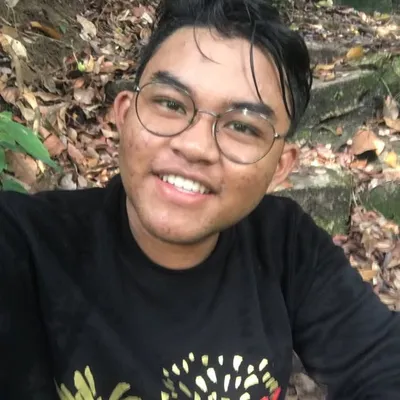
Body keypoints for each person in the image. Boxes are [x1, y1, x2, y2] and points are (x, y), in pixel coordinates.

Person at [1, 0, 399, 398]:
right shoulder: (26, 243)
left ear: (280, 166)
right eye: (171, 104)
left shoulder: (286, 244)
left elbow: (381, 362)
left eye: (243, 127)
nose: (195, 147)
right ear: (124, 115)